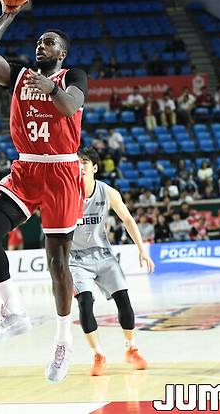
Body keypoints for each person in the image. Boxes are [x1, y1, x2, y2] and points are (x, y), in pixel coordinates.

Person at [0, 2, 88, 382]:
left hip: (61, 170)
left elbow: (70, 106)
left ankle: (63, 343)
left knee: (57, 262)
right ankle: (13, 313)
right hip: (27, 167)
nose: (42, 45)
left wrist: (52, 87)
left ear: (62, 53)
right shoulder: (21, 76)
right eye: (39, 41)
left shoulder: (74, 76)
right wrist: (7, 15)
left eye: (49, 42)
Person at [70, 148, 154, 378]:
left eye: (85, 162)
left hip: (104, 255)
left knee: (124, 300)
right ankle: (98, 355)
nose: (80, 165)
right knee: (85, 303)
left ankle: (131, 349)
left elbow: (127, 218)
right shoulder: (67, 192)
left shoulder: (107, 192)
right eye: (77, 162)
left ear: (95, 168)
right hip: (76, 259)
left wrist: (141, 249)